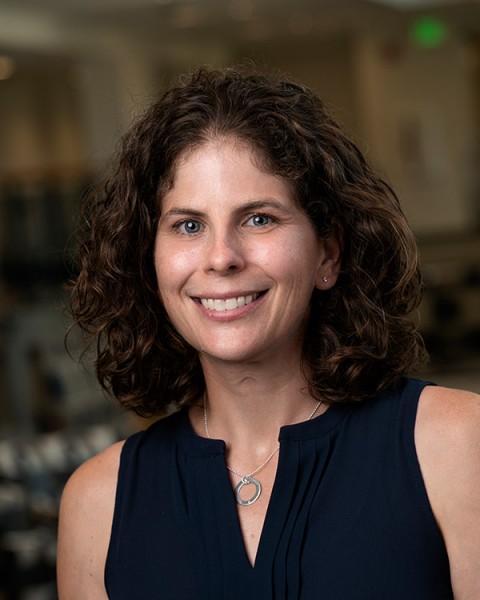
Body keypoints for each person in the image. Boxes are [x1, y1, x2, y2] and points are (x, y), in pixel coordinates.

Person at [57, 65, 480, 599]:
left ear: (328, 252)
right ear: (150, 261)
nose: (221, 258)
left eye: (258, 218)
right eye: (189, 225)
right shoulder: (98, 502)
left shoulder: (457, 445)